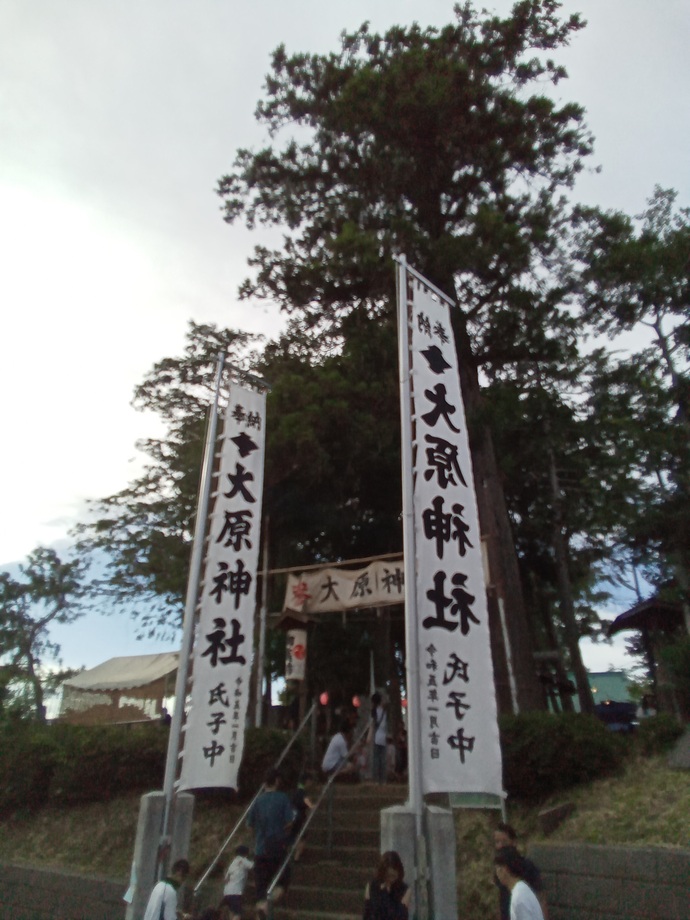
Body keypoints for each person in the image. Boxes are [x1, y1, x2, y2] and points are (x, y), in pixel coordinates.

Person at [247, 767, 295, 920]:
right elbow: (289, 822)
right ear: (277, 781)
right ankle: (268, 904)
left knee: (260, 890)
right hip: (277, 849)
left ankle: (261, 909)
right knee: (283, 881)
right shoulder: (283, 798)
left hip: (260, 850)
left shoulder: (258, 800)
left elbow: (250, 825)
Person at [494, 824, 547, 920]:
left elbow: (541, 898)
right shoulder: (499, 868)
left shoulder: (527, 868)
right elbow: (500, 900)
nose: (501, 846)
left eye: (504, 841)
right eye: (497, 842)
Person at [363, 850, 411, 920]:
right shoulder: (372, 886)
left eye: (393, 876)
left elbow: (399, 916)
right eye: (388, 876)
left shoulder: (404, 890)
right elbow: (367, 913)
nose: (390, 879)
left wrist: (385, 895)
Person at [218, 844, 254, 920]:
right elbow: (252, 866)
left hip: (226, 892)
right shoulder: (242, 860)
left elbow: (225, 879)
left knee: (232, 913)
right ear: (246, 854)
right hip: (235, 893)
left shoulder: (232, 863)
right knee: (238, 914)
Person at [289, 773, 315, 862]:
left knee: (295, 835)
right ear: (307, 781)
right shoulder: (302, 792)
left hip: (293, 816)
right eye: (310, 781)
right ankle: (296, 857)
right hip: (300, 818)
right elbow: (306, 801)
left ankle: (294, 855)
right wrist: (312, 806)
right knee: (302, 837)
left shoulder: (295, 791)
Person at [370, 692, 388, 784]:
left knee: (376, 760)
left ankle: (376, 779)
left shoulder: (374, 711)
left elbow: (373, 725)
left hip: (376, 737)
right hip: (383, 738)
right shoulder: (384, 711)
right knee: (382, 760)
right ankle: (383, 779)